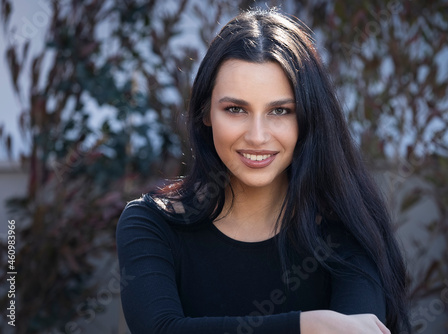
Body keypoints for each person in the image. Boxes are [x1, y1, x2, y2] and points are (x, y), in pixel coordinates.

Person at [116, 7, 410, 334]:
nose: (257, 136)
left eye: (280, 111)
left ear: (308, 118)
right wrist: (308, 326)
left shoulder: (346, 230)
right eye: (236, 109)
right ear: (206, 112)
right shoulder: (152, 225)